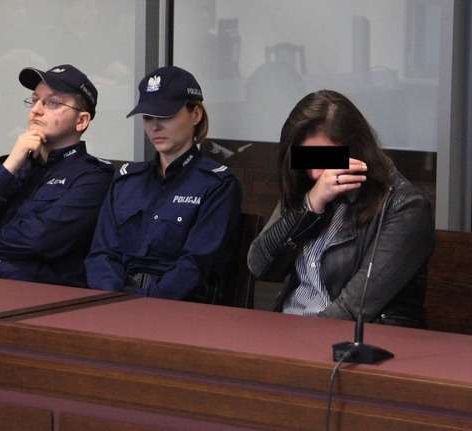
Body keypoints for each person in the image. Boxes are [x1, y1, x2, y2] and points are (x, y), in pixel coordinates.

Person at [247, 89, 434, 327]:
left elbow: (353, 308)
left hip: (352, 338)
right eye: (307, 160)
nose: (315, 173)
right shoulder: (309, 188)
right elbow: (259, 266)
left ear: (357, 150)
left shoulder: (404, 206)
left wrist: (295, 337)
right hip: (291, 326)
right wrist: (310, 205)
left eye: (324, 158)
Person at [85, 66, 241, 302]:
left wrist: (141, 304)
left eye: (166, 116)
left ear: (196, 114)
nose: (155, 126)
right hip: (113, 301)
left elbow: (195, 266)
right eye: (148, 117)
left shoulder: (217, 184)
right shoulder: (126, 180)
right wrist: (111, 299)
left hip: (176, 308)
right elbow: (101, 254)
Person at [0, 64, 113, 287]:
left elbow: (40, 240)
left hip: (35, 291)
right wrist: (10, 166)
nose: (36, 110)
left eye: (52, 103)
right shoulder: (12, 165)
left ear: (81, 121)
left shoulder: (93, 176)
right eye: (34, 100)